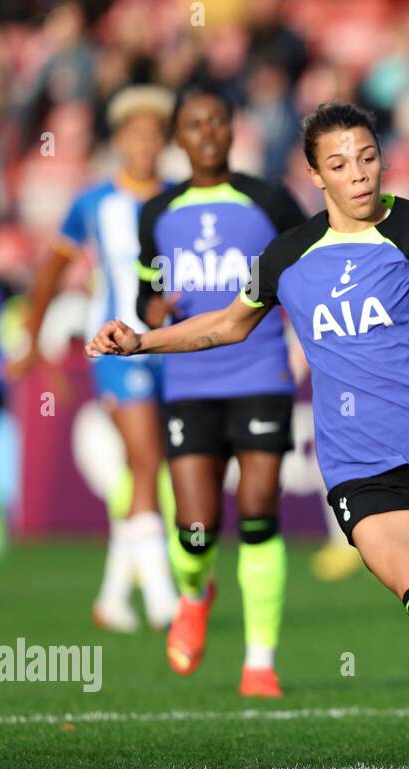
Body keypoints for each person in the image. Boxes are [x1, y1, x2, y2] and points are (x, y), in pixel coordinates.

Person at [90, 101, 409, 767]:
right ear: (316, 175)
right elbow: (229, 323)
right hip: (361, 464)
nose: (358, 174)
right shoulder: (290, 253)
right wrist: (139, 340)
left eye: (368, 157)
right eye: (340, 164)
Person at [134, 83, 306, 696]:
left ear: (233, 130)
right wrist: (153, 314)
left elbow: (307, 269)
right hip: (189, 380)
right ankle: (193, 592)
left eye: (216, 122)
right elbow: (145, 295)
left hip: (260, 374)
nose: (207, 133)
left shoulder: (269, 199)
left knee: (259, 511)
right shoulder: (156, 212)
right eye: (194, 124)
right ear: (178, 137)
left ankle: (260, 661)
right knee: (196, 529)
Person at [7, 85, 179, 632]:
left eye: (155, 134)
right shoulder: (94, 202)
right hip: (114, 346)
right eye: (136, 134)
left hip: (171, 345)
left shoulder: (177, 197)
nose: (145, 144)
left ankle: (112, 598)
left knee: (144, 467)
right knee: (149, 460)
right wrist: (33, 339)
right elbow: (53, 269)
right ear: (121, 140)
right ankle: (162, 600)